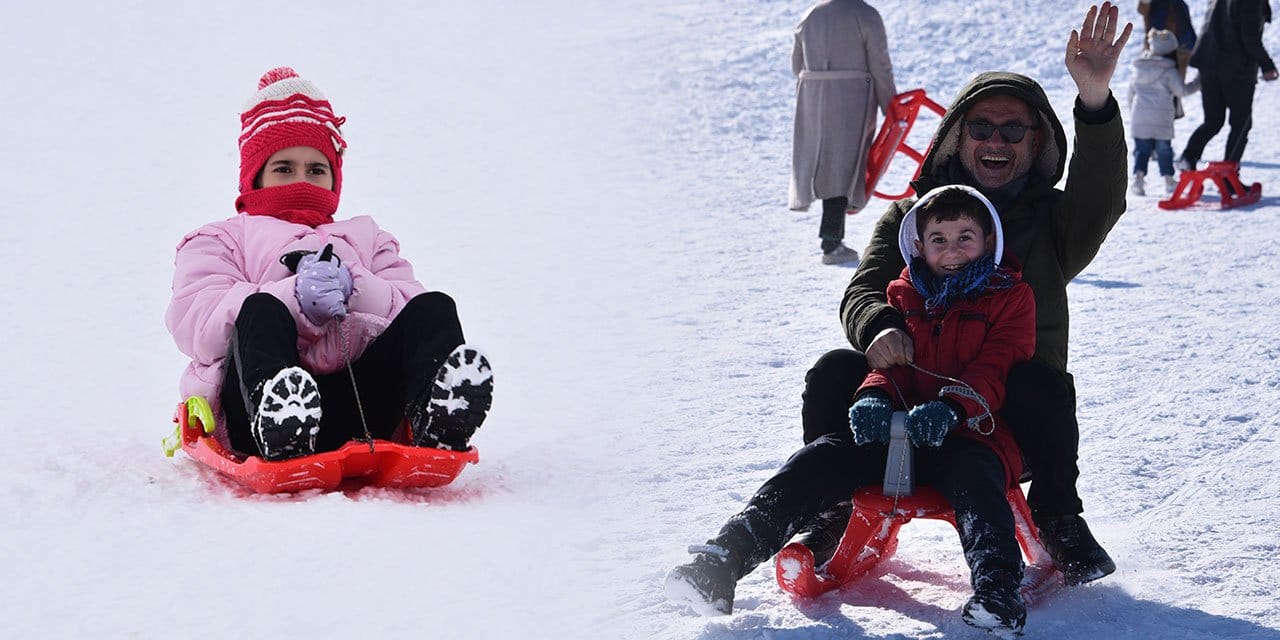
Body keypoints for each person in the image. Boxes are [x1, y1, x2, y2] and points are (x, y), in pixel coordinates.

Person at [795, 3, 1131, 586]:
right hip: (909, 396)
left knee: (1042, 384)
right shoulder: (911, 218)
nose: (996, 140)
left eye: (1014, 130)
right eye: (981, 128)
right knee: (833, 372)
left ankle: (1057, 516)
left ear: (1036, 142)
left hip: (1006, 413)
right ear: (957, 136)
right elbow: (864, 288)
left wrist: (1095, 100)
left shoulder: (1053, 224)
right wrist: (879, 326)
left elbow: (1102, 196)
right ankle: (832, 511)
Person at [667, 185, 1037, 635]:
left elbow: (996, 366)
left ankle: (998, 589)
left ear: (988, 241)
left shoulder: (1010, 296)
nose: (952, 250)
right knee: (822, 457)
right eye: (939, 239)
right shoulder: (905, 294)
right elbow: (890, 364)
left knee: (976, 481)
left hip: (973, 433)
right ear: (919, 245)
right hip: (902, 433)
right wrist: (873, 396)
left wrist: (951, 408)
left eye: (965, 237)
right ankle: (723, 560)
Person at [166, 67, 494, 462]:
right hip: (255, 411)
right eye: (284, 168)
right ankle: (283, 422)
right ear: (255, 175)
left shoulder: (368, 237)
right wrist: (294, 298)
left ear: (334, 178)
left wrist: (357, 286)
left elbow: (407, 306)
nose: (301, 180)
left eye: (316, 169)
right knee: (259, 310)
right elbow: (198, 326)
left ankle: (439, 419)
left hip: (366, 404)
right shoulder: (220, 239)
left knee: (434, 308)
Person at [789, 0, 897, 265]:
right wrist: (890, 105)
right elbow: (880, 64)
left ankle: (833, 237)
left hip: (812, 97)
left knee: (824, 161)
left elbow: (796, 64)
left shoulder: (811, 14)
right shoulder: (865, 14)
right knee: (842, 164)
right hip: (851, 97)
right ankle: (832, 242)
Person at [1177, 0, 1278, 172]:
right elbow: (1250, 37)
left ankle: (1188, 157)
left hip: (1208, 64)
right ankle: (1228, 173)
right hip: (1235, 68)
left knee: (1213, 121)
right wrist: (1267, 65)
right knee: (1241, 123)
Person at [1129, 29, 1201, 196]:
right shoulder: (1169, 71)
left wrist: (1133, 113)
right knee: (1164, 151)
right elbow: (1182, 91)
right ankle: (1169, 181)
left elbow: (1130, 95)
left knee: (1141, 150)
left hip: (1139, 117)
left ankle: (1138, 181)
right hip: (1161, 119)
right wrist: (1199, 81)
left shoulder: (1139, 68)